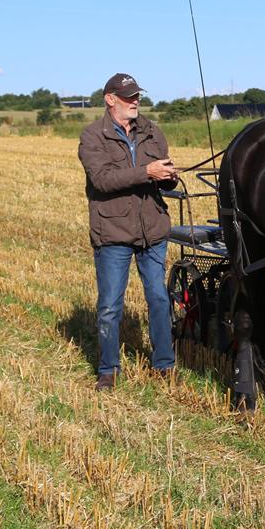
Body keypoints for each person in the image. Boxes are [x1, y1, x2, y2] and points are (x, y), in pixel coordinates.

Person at [79, 73, 181, 390]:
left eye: (137, 95)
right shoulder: (93, 136)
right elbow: (103, 180)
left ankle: (164, 364)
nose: (135, 100)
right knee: (110, 305)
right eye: (128, 96)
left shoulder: (151, 131)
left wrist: (168, 177)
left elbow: (161, 173)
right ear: (110, 99)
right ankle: (108, 369)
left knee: (159, 299)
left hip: (152, 229)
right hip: (113, 231)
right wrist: (146, 172)